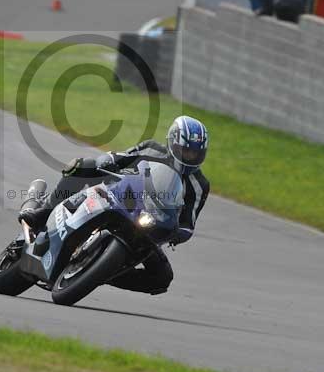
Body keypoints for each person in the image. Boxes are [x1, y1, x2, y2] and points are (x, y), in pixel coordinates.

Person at [18, 116, 210, 295]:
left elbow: (188, 224)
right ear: (172, 142)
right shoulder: (151, 149)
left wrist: (177, 232)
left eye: (195, 153)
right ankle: (44, 213)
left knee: (162, 279)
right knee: (82, 166)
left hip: (148, 228)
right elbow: (119, 157)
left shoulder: (199, 185)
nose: (190, 156)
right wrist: (108, 161)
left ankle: (101, 273)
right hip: (118, 199)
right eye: (186, 150)